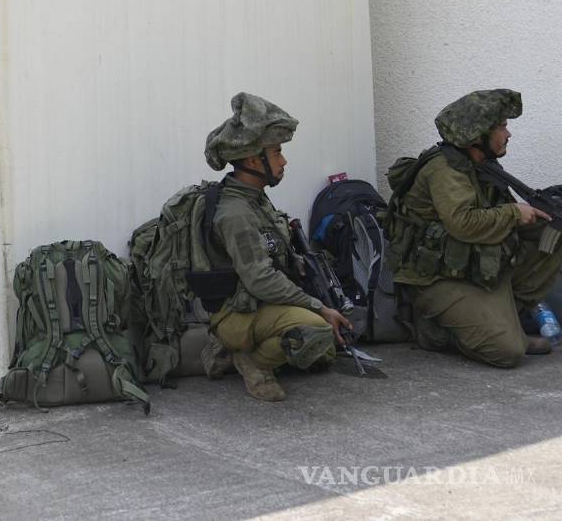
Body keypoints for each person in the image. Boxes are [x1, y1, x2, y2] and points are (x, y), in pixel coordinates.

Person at [387, 89, 560, 367]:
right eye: (501, 127)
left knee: (554, 231)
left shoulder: (480, 164)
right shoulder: (444, 170)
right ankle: (437, 332)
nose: (508, 134)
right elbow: (464, 224)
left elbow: (497, 216)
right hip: (438, 279)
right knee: (509, 352)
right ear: (477, 136)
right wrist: (514, 213)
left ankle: (505, 322)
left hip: (476, 266)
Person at [199, 92, 351, 402]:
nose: (283, 161)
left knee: (323, 351)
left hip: (258, 305)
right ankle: (252, 363)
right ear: (254, 160)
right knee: (316, 328)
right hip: (235, 313)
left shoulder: (254, 198)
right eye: (277, 153)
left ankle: (244, 349)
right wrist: (317, 307)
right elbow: (260, 279)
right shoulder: (236, 213)